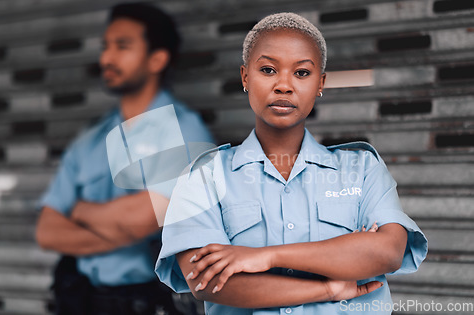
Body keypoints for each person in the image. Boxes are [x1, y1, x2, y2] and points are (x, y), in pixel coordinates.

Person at [155, 12, 428, 314]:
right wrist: (328, 287)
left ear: (320, 84)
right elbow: (206, 281)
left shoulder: (362, 170)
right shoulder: (203, 177)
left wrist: (265, 257)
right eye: (269, 69)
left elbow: (388, 251)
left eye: (301, 73)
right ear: (245, 77)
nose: (284, 85)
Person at [36, 2, 213, 315]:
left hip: (145, 303)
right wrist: (122, 228)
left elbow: (141, 220)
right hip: (80, 300)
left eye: (122, 46)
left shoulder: (184, 130)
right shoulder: (90, 139)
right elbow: (48, 231)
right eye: (105, 46)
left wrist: (79, 210)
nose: (107, 58)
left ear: (157, 58)